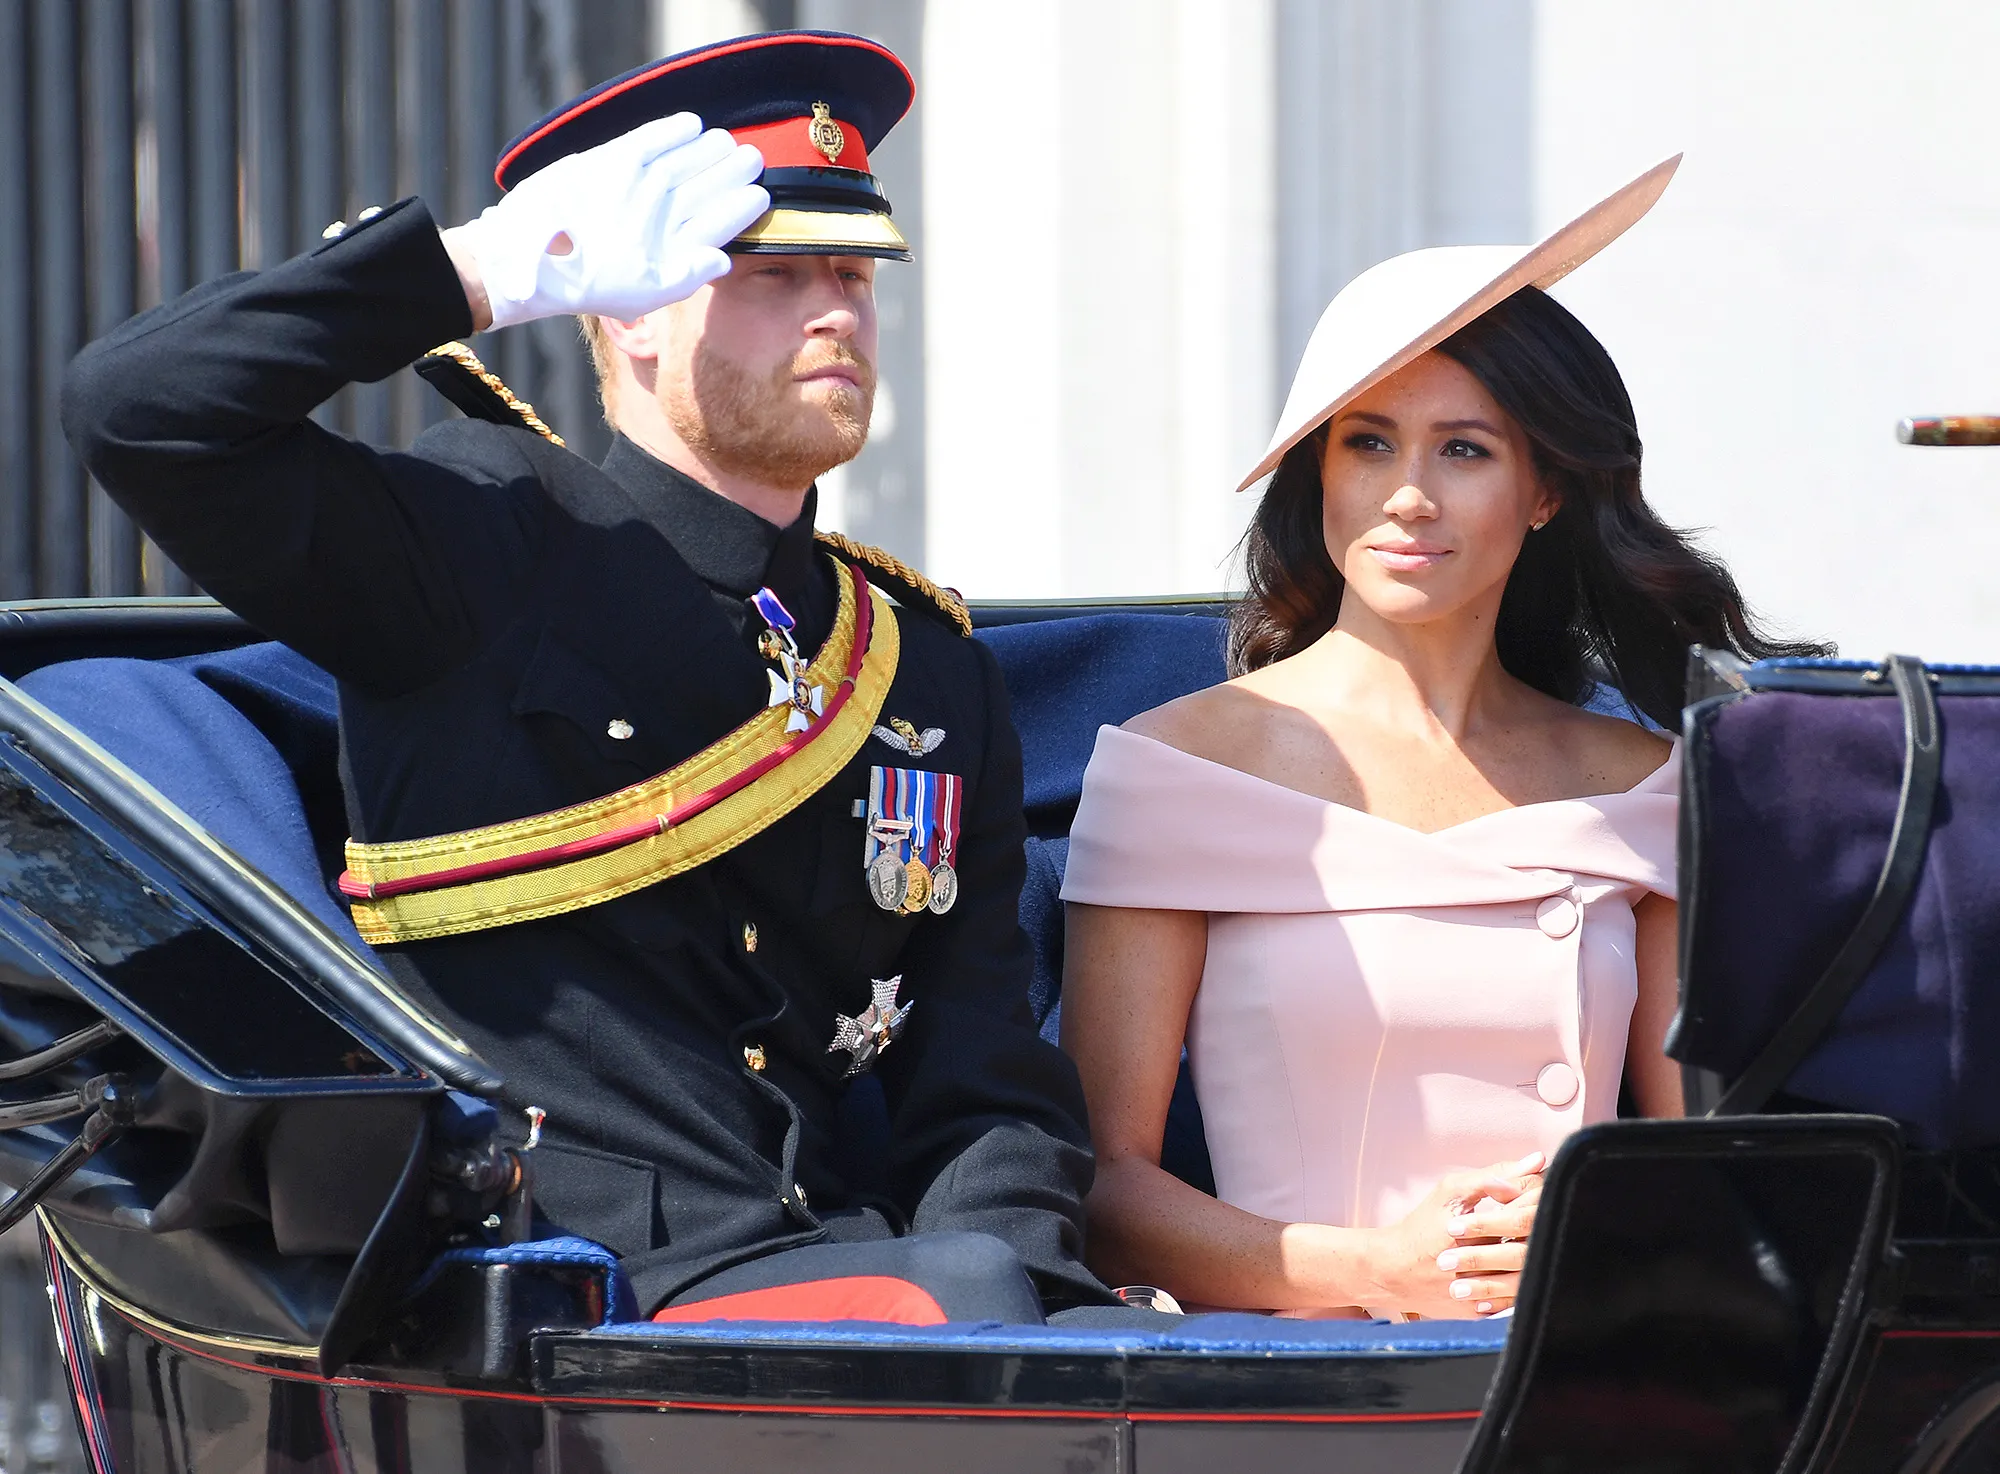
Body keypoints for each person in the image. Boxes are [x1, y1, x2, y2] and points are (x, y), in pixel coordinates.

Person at [62, 32, 1113, 1325]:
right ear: (628, 304)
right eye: (772, 270)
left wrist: (1023, 1332)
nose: (836, 308)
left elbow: (986, 1083)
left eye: (853, 269)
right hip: (571, 1290)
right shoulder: (480, 543)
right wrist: (477, 273)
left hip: (859, 1292)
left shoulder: (921, 664)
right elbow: (137, 409)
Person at [1057, 156, 1828, 1321]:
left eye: (1461, 449)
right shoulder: (1178, 767)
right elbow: (1104, 1186)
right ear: (1318, 471)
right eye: (1367, 442)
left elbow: (1704, 1164)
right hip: (1304, 1385)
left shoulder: (1646, 785)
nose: (1406, 492)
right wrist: (1375, 1272)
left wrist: (1594, 1237)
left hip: (1596, 1365)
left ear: (1544, 492)